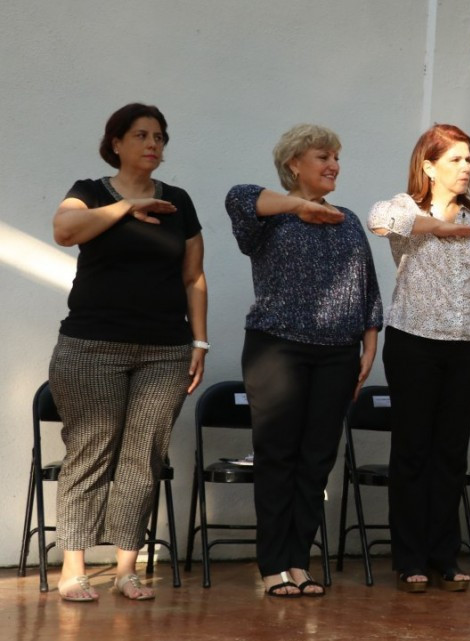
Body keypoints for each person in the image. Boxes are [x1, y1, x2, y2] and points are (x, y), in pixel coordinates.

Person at [49, 103, 208, 602]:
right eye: (141, 135)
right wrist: (123, 209)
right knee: (91, 451)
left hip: (165, 349)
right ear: (116, 142)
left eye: (160, 136)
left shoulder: (178, 201)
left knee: (144, 457)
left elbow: (193, 275)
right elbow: (65, 231)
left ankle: (126, 568)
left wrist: (199, 340)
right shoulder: (90, 193)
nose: (153, 144)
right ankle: (73, 567)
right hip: (92, 344)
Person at [226, 124, 383, 598]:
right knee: (278, 457)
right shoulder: (270, 215)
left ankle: (299, 561)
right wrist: (299, 205)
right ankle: (272, 564)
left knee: (316, 460)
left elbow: (366, 288)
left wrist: (370, 343)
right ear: (295, 163)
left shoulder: (349, 220)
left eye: (337, 157)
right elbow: (239, 197)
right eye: (323, 156)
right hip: (277, 348)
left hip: (337, 353)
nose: (334, 164)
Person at [368, 124, 470, 593]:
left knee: (449, 454)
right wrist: (436, 226)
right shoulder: (405, 208)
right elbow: (377, 219)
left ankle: (444, 555)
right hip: (414, 342)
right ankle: (409, 559)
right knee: (411, 450)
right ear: (429, 166)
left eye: (469, 160)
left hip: (467, 346)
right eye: (455, 160)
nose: (466, 168)